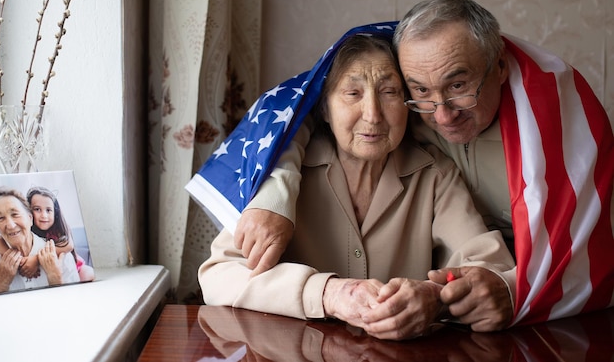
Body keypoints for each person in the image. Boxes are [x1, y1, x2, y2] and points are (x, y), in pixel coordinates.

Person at [232, 0, 614, 326]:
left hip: (537, 299)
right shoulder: (389, 120)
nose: (443, 115)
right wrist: (275, 191)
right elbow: (299, 113)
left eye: (459, 86)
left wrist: (443, 297)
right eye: (420, 90)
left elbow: (581, 251)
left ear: (499, 66)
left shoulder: (550, 131)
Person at [198, 34, 516, 340]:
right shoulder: (281, 174)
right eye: (353, 94)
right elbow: (219, 276)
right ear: (323, 108)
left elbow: (491, 268)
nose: (373, 114)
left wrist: (436, 296)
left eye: (389, 92)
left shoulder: (434, 174)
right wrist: (330, 293)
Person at [0, 186, 95, 282]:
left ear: (55, 213)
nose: (44, 215)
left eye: (48, 210)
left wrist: (35, 259)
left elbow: (69, 245)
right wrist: (18, 260)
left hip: (78, 266)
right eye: (37, 209)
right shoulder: (26, 231)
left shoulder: (58, 231)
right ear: (29, 212)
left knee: (88, 274)